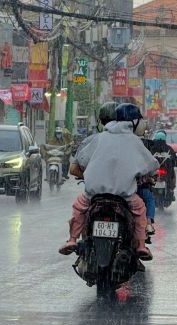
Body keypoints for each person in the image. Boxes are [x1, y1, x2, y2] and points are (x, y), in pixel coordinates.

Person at [59, 103, 157, 260]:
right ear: (134, 122)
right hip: (124, 196)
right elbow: (151, 165)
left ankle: (71, 240)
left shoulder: (98, 138)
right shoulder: (134, 141)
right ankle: (141, 246)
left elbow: (80, 163)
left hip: (94, 194)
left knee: (79, 208)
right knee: (140, 210)